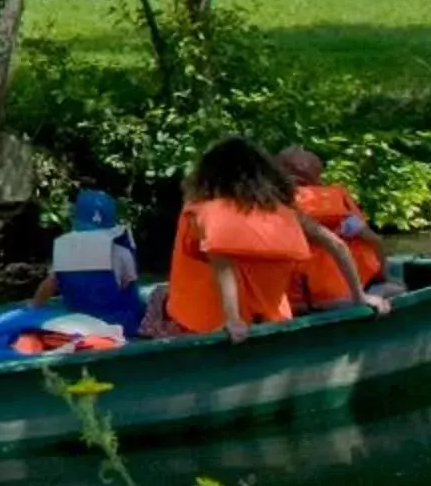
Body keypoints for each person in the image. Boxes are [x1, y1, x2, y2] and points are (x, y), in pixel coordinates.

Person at [155, 137, 374, 342]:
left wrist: (233, 321)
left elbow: (223, 266)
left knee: (158, 297)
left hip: (213, 326)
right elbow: (337, 245)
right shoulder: (287, 213)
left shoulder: (200, 213)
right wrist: (360, 296)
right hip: (274, 321)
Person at [33, 187, 143, 334]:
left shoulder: (64, 250)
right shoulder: (122, 253)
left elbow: (49, 285)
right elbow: (131, 292)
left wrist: (32, 310)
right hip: (118, 326)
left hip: (77, 324)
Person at [277, 145, 387, 289]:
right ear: (317, 176)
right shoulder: (337, 207)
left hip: (289, 298)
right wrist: (381, 276)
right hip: (339, 293)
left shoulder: (269, 202)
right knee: (396, 287)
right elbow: (374, 240)